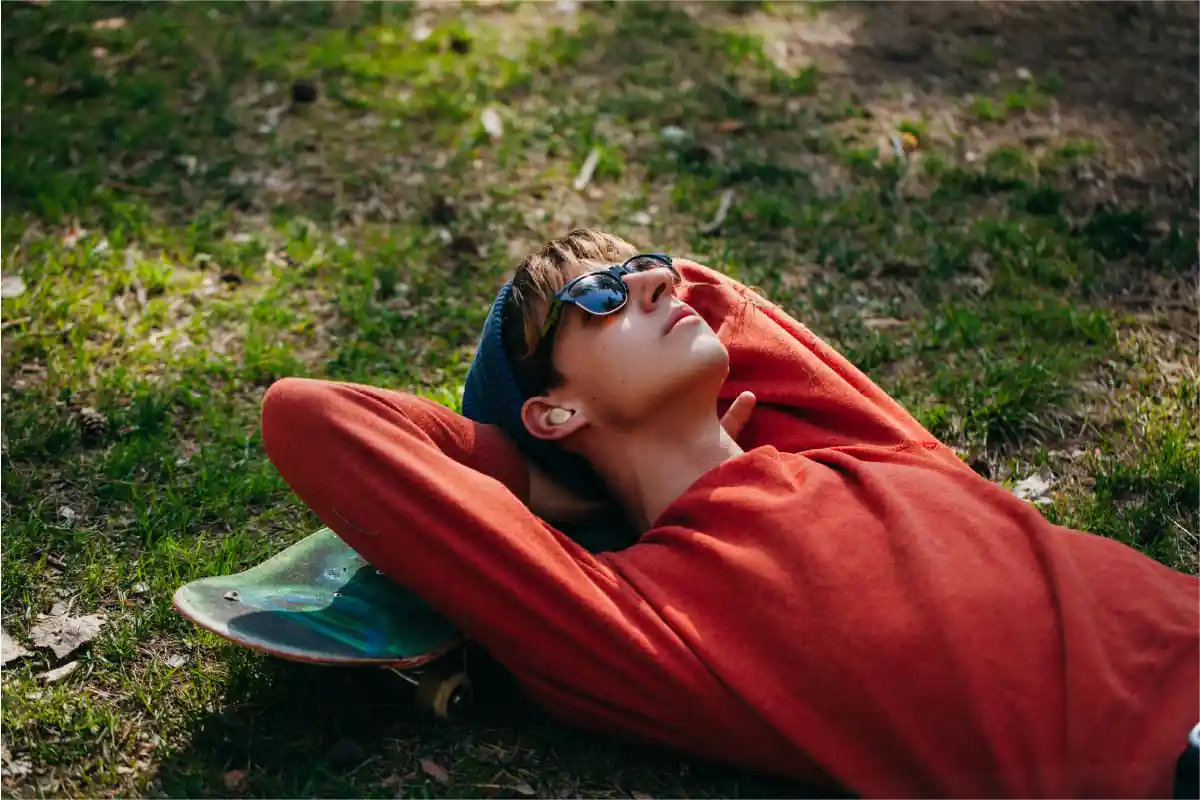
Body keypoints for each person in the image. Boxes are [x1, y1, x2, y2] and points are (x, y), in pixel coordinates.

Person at [260, 230, 1199, 798]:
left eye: (644, 268)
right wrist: (554, 488)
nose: (655, 285)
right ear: (554, 412)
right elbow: (314, 417)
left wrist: (635, 337)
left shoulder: (859, 452)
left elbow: (708, 287)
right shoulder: (649, 620)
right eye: (594, 298)